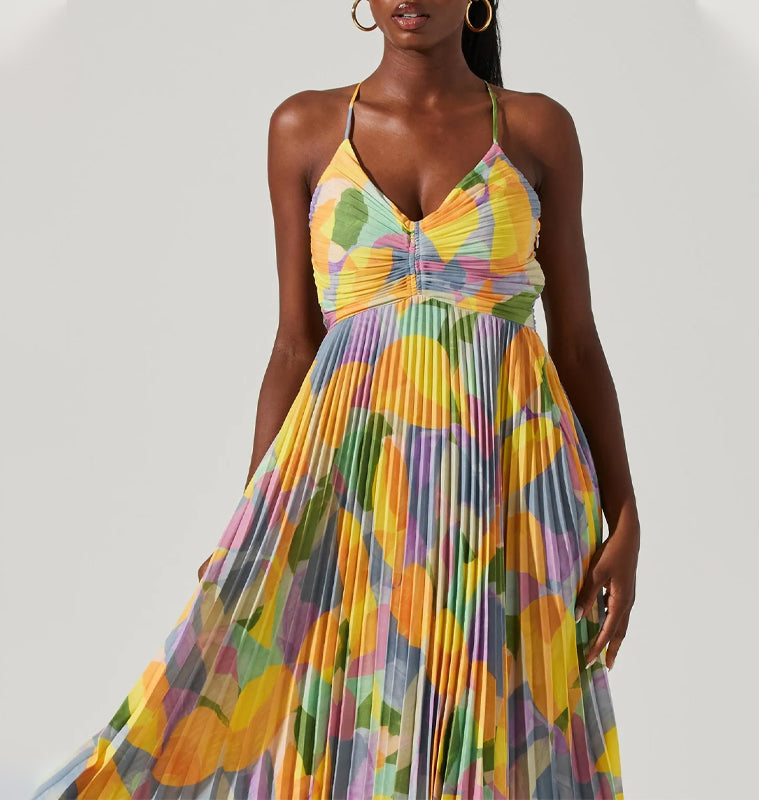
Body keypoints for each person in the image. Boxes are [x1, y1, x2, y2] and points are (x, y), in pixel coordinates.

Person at [30, 0, 640, 797]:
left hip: (511, 482)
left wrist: (626, 515)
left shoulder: (536, 129)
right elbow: (294, 343)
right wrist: (252, 520)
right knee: (354, 722)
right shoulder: (304, 129)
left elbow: (578, 343)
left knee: (507, 736)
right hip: (353, 484)